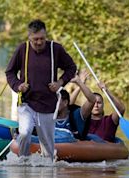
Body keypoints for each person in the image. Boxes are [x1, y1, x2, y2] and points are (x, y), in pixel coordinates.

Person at [5, 19, 77, 161]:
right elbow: (10, 72)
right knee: (25, 133)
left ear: (46, 36)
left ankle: (48, 172)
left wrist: (60, 83)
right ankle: (22, 162)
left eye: (42, 39)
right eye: (35, 39)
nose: (39, 42)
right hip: (27, 103)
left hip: (48, 105)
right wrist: (18, 85)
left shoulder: (55, 49)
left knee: (48, 150)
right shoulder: (22, 49)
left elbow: (71, 67)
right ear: (29, 37)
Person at [56, 69, 96, 140]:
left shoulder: (76, 116)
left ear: (65, 103)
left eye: (56, 101)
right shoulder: (48, 115)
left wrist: (79, 82)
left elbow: (92, 101)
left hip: (73, 148)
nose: (51, 103)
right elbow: (69, 102)